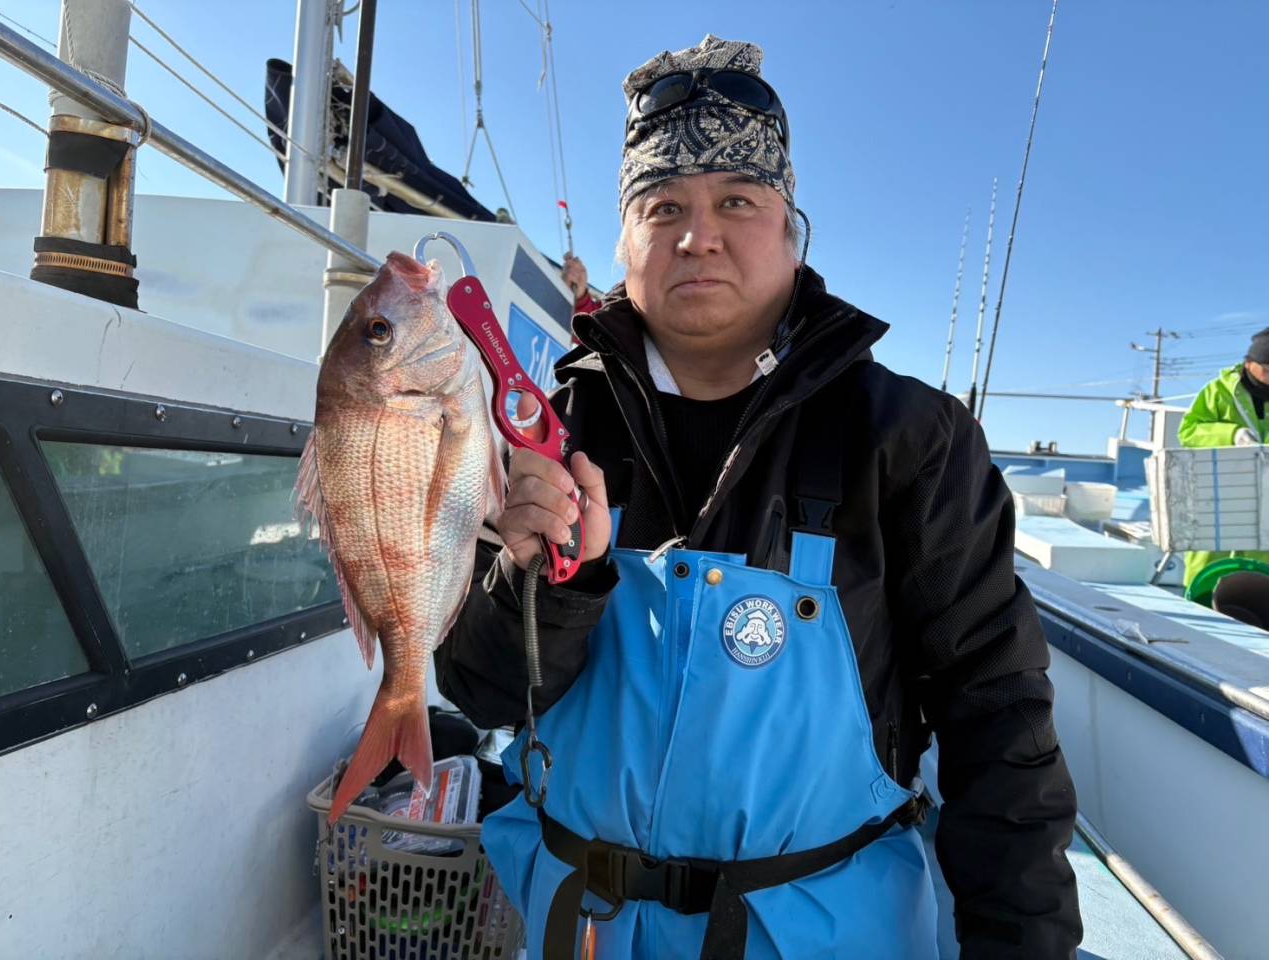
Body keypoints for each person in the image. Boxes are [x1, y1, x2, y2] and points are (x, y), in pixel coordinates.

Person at [436, 34, 1081, 959]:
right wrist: (548, 584)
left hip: (822, 933)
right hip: (576, 928)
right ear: (625, 242)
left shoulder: (910, 437)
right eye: (664, 206)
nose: (698, 235)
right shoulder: (543, 429)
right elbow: (482, 691)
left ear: (791, 229)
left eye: (737, 200)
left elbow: (998, 716)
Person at [1177, 329, 1269, 587]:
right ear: (1251, 363)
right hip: (1218, 490)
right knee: (1208, 558)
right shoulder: (1219, 391)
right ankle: (1199, 604)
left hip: (1266, 495)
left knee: (1260, 563)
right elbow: (1189, 430)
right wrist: (1231, 434)